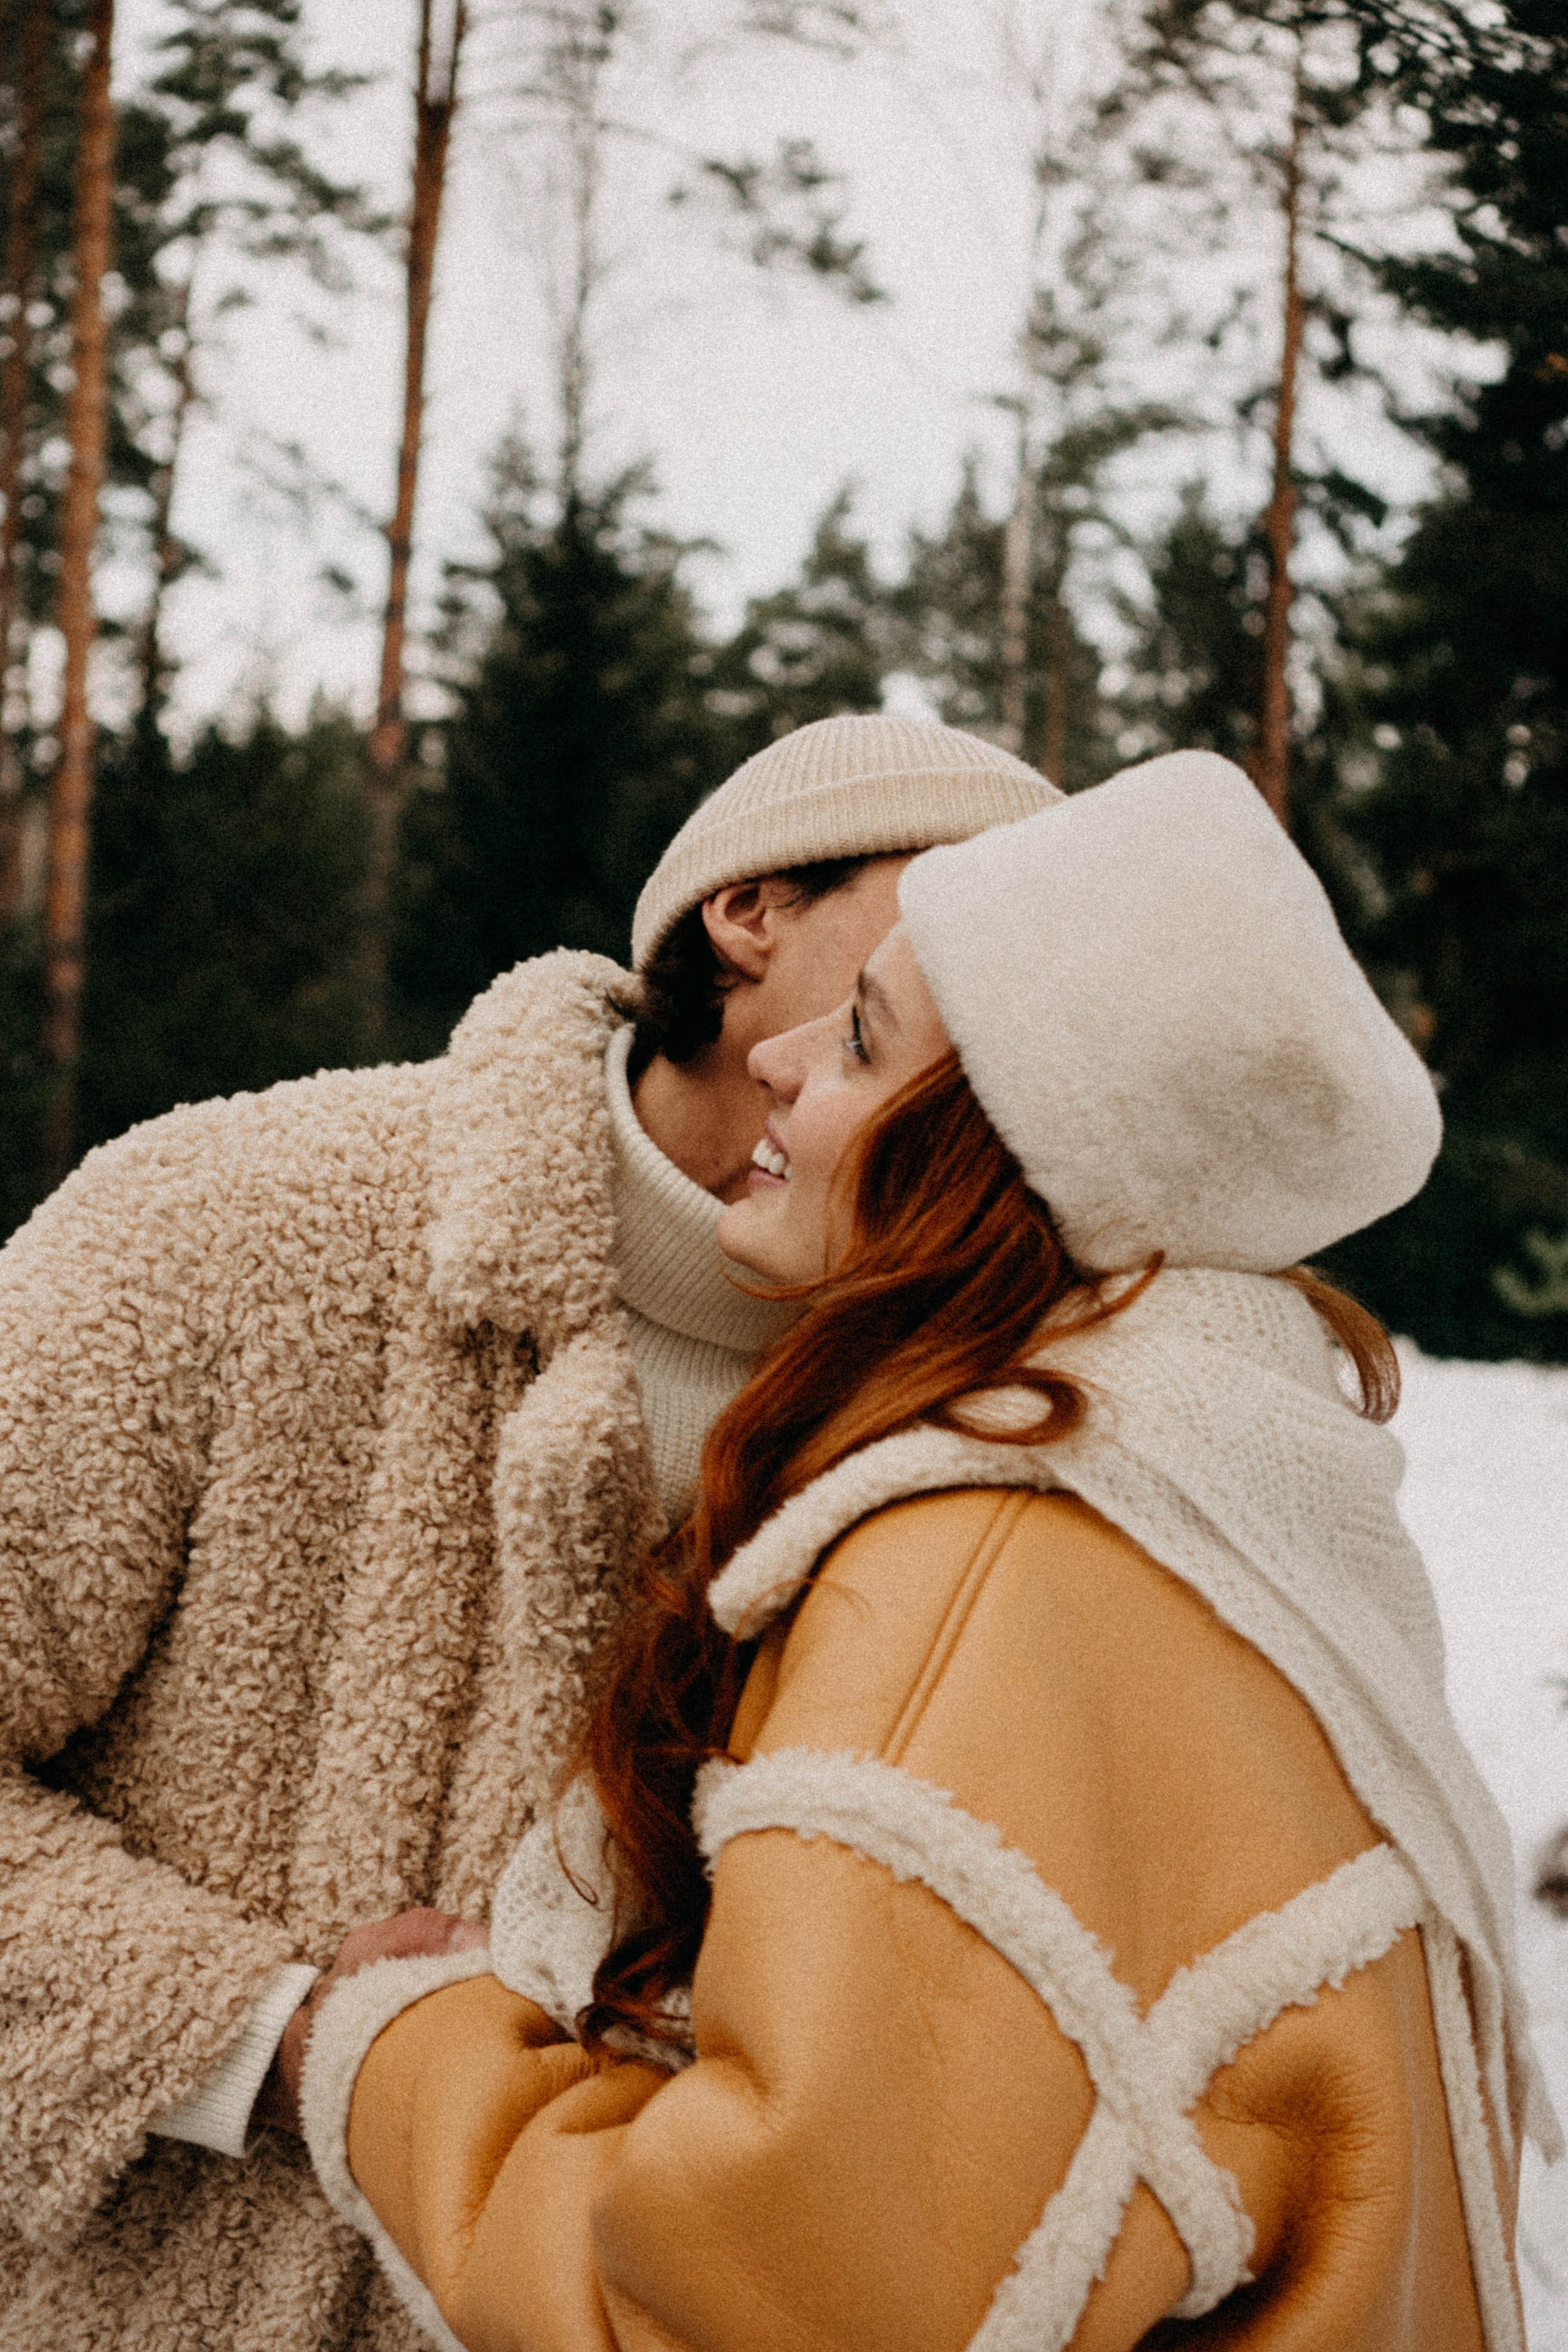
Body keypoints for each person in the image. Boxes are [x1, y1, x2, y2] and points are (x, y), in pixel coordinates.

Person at [298, 750, 1558, 2352]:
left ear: (1015, 1155)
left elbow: (747, 2308)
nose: (784, 1066)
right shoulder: (1221, 1499)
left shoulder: (990, 1573)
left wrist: (398, 2050)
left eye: (867, 1038)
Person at [0, 715, 1057, 2350]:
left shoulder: (1012, 1411)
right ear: (748, 907)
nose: (1012, 978)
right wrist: (283, 2046)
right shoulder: (233, 1223)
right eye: (965, 906)